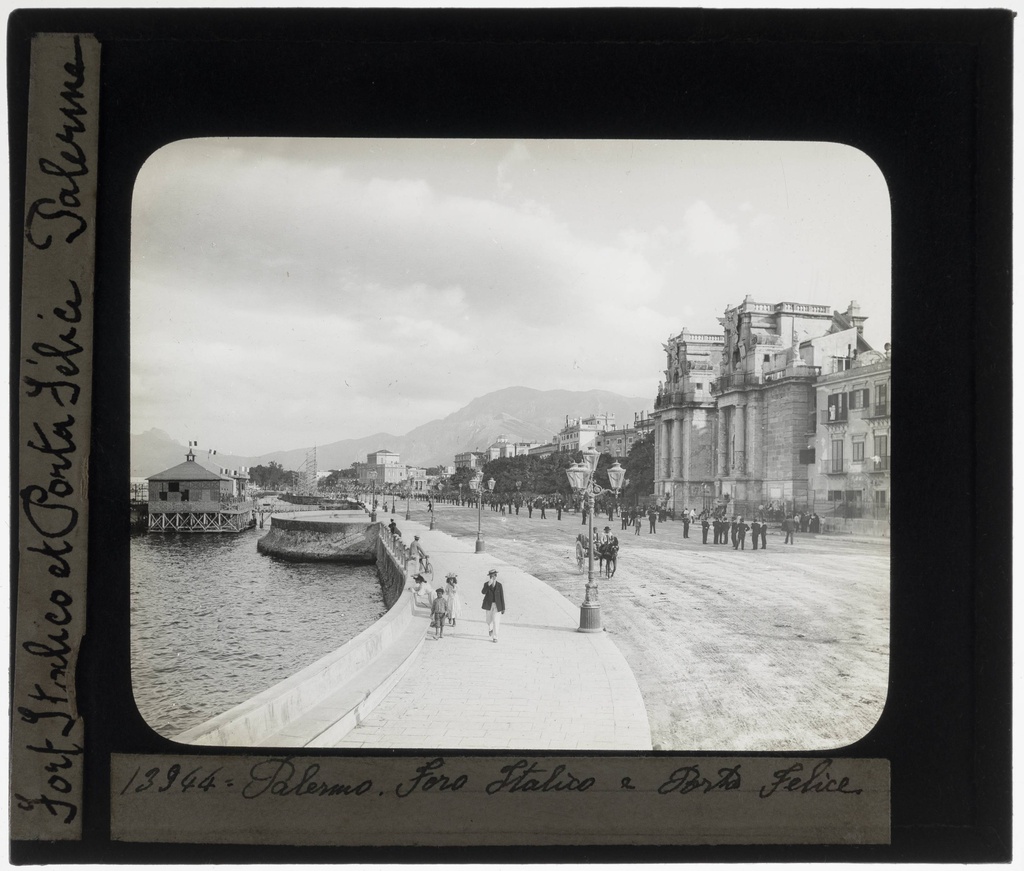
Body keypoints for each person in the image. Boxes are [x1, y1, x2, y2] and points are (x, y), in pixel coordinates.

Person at [481, 568, 506, 642]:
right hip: (488, 605)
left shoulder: (499, 585)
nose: (492, 577)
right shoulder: (486, 584)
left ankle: (495, 637)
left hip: (497, 605)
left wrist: (503, 608)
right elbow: (483, 592)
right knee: (488, 620)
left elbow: (502, 597)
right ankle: (490, 628)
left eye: (493, 576)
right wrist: (488, 585)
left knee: (496, 621)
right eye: (491, 576)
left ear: (496, 576)